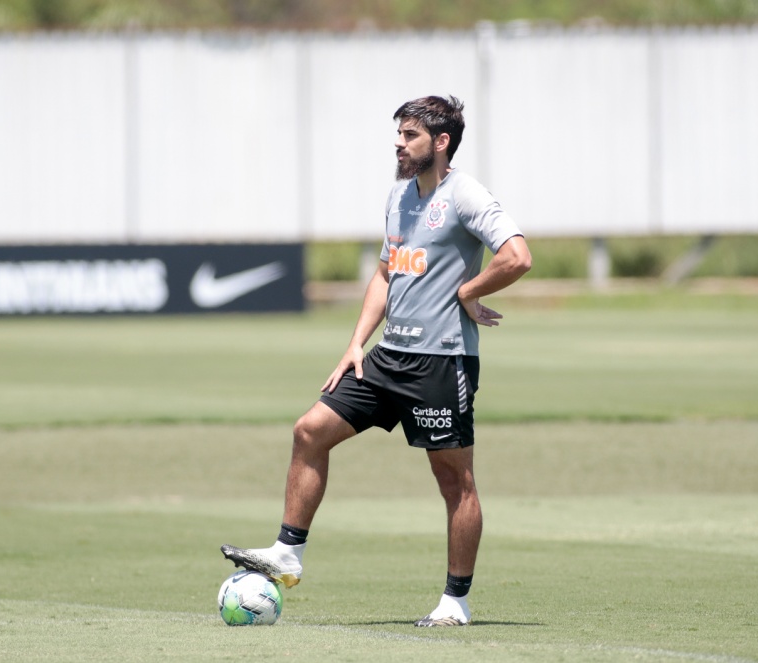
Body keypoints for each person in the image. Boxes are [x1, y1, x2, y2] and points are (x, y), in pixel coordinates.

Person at [221, 95, 532, 627]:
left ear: (441, 142)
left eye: (410, 135)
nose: (398, 143)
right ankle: (287, 552)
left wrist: (467, 291)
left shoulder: (466, 194)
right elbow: (386, 273)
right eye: (398, 133)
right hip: (386, 359)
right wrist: (355, 344)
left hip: (442, 362)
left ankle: (455, 603)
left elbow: (518, 256)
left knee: (455, 482)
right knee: (309, 431)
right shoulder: (397, 196)